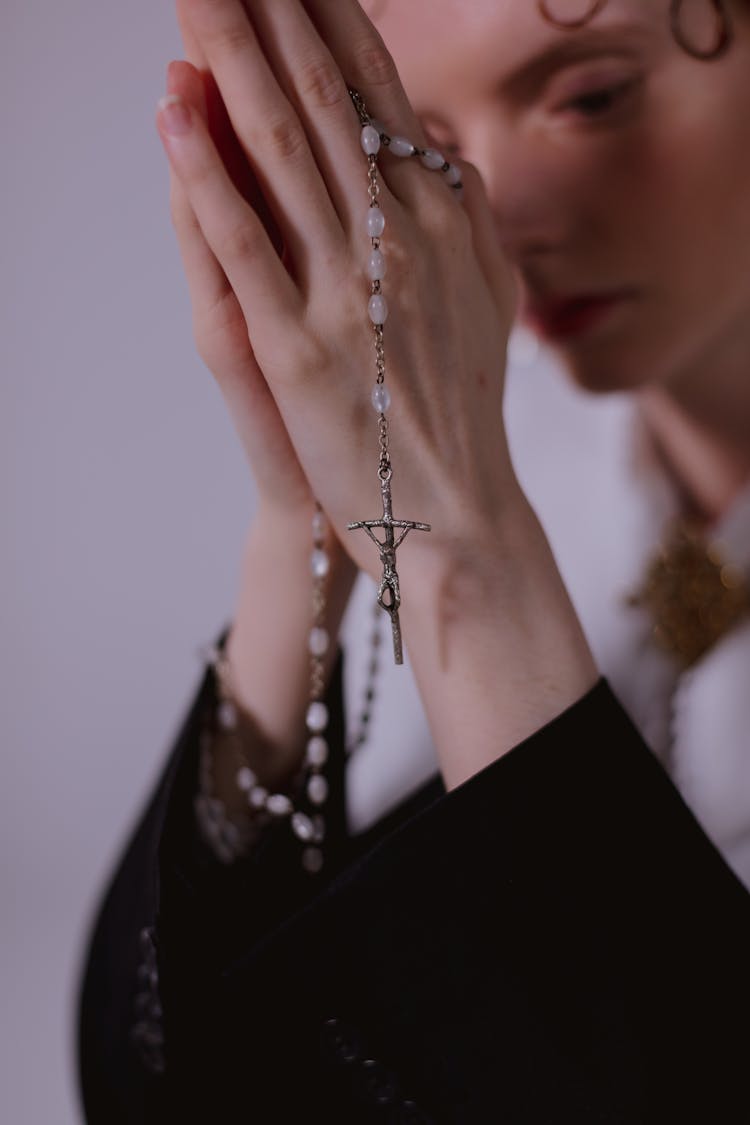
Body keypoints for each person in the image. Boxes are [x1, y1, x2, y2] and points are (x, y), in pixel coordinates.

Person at [76, 1, 750, 1121]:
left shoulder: (467, 485)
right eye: (422, 145)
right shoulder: (499, 439)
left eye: (590, 97)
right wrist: (301, 526)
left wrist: (466, 550)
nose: (501, 215)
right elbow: (155, 1091)